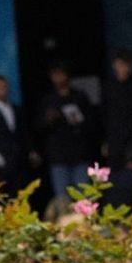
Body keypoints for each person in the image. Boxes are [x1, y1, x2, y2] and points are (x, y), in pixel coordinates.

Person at [35, 62, 96, 199]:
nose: (59, 78)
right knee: (62, 200)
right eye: (55, 75)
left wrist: (78, 120)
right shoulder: (48, 100)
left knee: (83, 199)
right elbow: (39, 128)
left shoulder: (79, 97)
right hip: (58, 158)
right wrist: (49, 119)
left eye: (61, 74)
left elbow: (92, 124)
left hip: (79, 156)